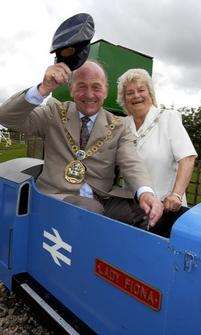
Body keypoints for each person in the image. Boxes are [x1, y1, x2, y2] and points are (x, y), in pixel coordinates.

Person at [0, 61, 163, 229]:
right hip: (57, 197)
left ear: (106, 91)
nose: (89, 94)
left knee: (144, 212)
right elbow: (6, 117)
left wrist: (145, 193)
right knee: (89, 210)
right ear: (71, 90)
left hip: (101, 199)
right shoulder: (53, 113)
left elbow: (131, 162)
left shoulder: (118, 125)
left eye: (96, 87)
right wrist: (43, 88)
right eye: (82, 86)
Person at [117, 68, 197, 215]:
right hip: (131, 208)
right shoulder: (122, 125)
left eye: (141, 90)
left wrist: (176, 195)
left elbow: (188, 158)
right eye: (130, 93)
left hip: (167, 207)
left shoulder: (168, 118)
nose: (136, 96)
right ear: (124, 99)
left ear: (150, 93)